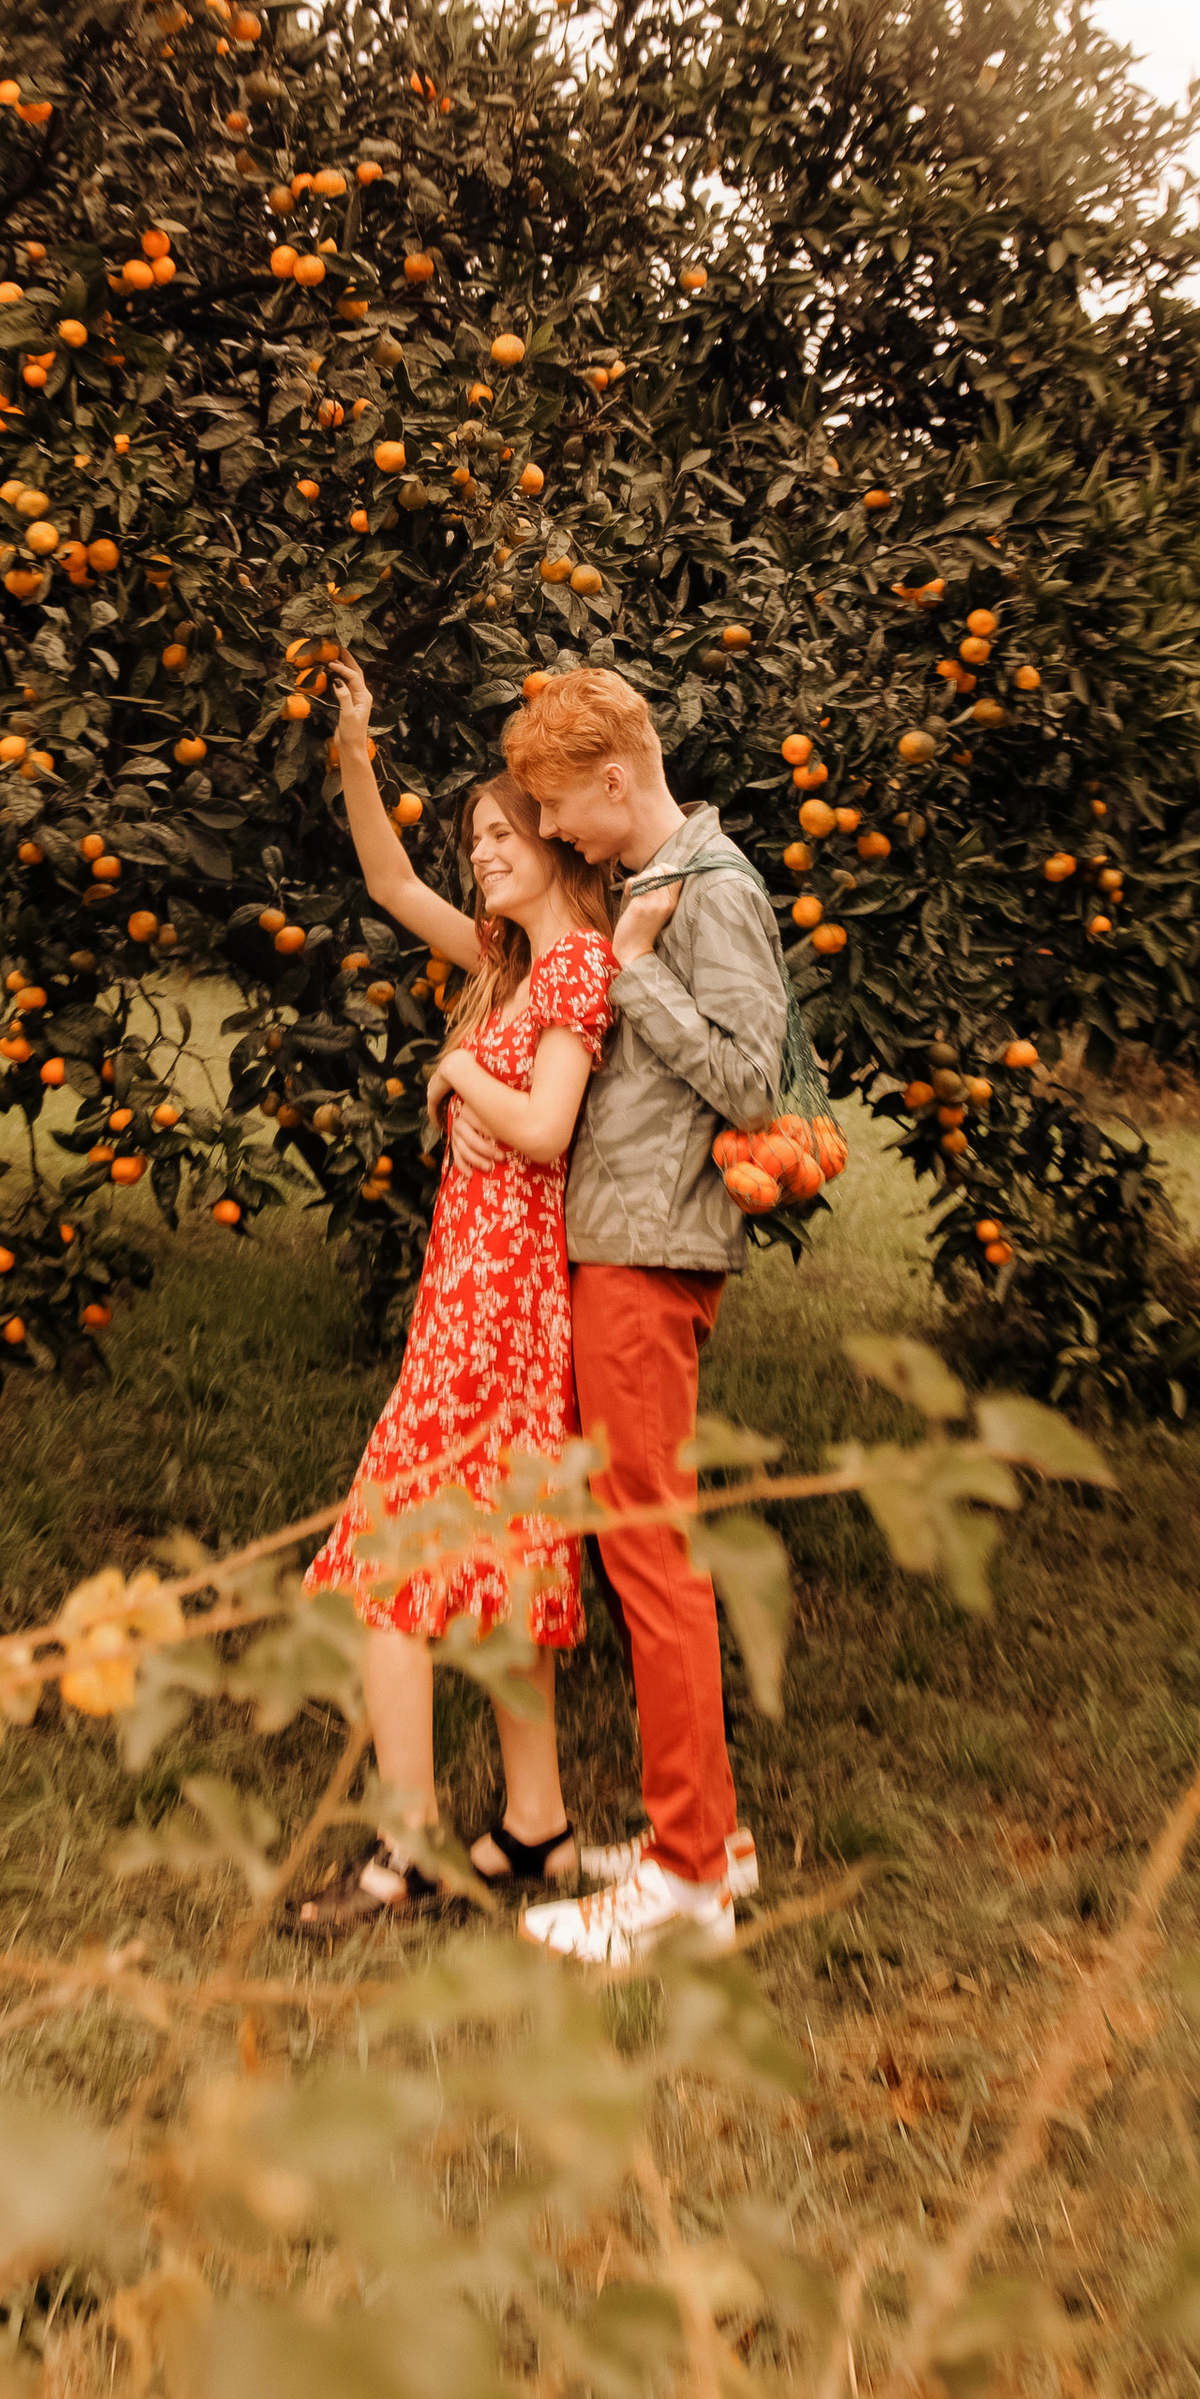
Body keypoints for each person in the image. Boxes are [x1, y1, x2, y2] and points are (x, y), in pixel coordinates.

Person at [444, 660, 786, 1965]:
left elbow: (754, 1080)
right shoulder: (657, 892)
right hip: (618, 1246)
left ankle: (692, 1882)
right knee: (647, 1553)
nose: (556, 836)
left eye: (559, 810)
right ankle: (712, 1837)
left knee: (653, 1561)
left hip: (650, 1257)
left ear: (614, 778)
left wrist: (628, 971)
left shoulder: (713, 891)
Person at [298, 665, 645, 1917]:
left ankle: (407, 1853)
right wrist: (355, 751)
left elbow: (546, 1127)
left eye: (504, 833)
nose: (485, 854)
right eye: (477, 840)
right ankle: (536, 1831)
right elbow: (392, 884)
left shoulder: (568, 972)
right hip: (477, 1295)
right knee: (495, 1568)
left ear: (556, 840)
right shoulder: (507, 960)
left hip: (499, 1309)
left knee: (386, 1565)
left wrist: (453, 1072)